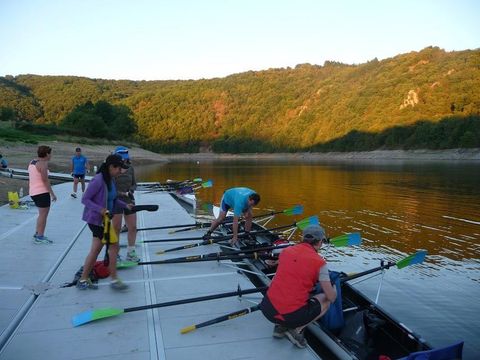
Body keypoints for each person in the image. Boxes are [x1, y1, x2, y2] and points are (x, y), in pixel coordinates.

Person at [259, 225, 337, 349]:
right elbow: (331, 297)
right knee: (326, 299)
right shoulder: (320, 263)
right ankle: (295, 329)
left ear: (303, 238)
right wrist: (334, 290)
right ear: (320, 242)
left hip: (267, 309)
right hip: (290, 315)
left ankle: (280, 328)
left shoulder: (286, 251)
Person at [77, 154, 132, 291]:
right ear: (111, 167)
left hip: (105, 220)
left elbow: (112, 199)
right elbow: (85, 200)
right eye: (119, 168)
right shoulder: (98, 180)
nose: (121, 171)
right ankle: (114, 280)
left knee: (96, 250)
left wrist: (126, 206)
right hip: (96, 221)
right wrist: (100, 210)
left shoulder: (111, 179)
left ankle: (83, 279)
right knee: (114, 247)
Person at [111, 146, 140, 262]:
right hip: (115, 201)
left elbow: (134, 184)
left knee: (133, 227)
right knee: (116, 228)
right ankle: (115, 255)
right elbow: (110, 189)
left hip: (129, 200)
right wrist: (122, 193)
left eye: (125, 159)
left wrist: (131, 191)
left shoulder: (130, 168)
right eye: (121, 159)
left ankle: (131, 253)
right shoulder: (112, 169)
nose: (123, 161)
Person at [28, 145, 57, 244]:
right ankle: (40, 237)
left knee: (41, 215)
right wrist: (52, 194)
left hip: (33, 192)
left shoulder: (32, 162)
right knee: (43, 216)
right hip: (42, 193)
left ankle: (37, 233)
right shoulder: (43, 164)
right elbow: (45, 180)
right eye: (50, 153)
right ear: (47, 154)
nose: (51, 155)